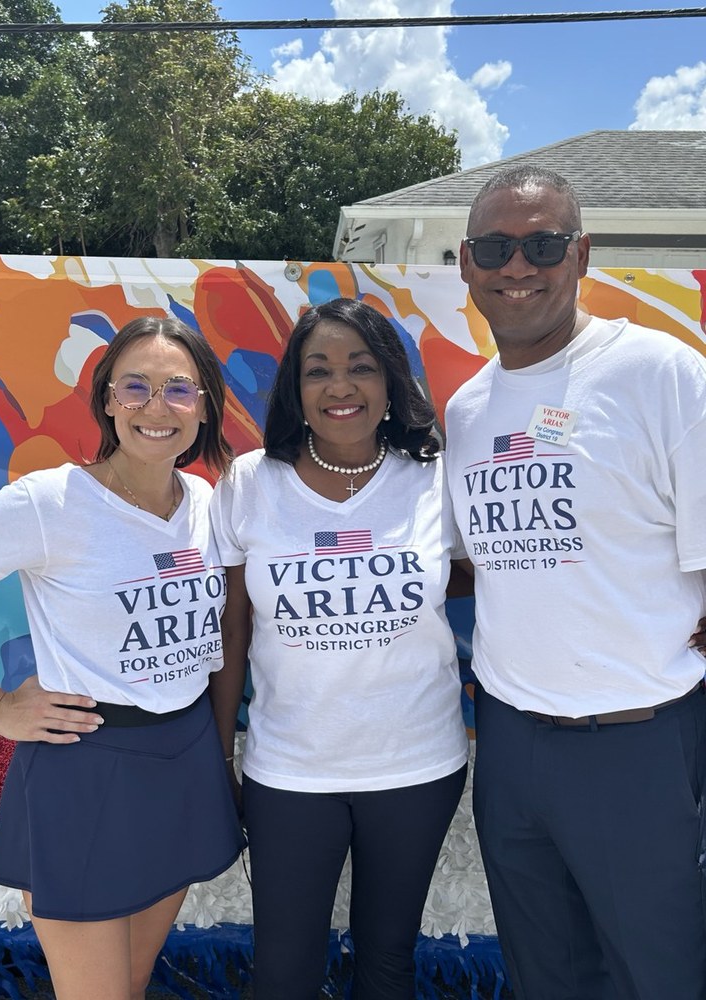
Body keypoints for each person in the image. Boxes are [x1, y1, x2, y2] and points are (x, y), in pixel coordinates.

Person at [0, 316, 245, 1000]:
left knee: (133, 982)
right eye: (136, 387)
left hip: (181, 756)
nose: (157, 406)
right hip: (87, 766)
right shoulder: (51, 501)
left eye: (179, 389)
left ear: (205, 404)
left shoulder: (207, 502)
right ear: (108, 401)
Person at [444, 164, 706, 1000]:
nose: (516, 266)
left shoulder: (660, 372)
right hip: (512, 745)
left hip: (636, 740)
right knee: (544, 974)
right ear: (465, 263)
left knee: (657, 974)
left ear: (581, 252)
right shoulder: (466, 409)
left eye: (542, 243)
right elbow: (465, 559)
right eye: (495, 247)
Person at [209, 297, 469, 1000]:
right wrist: (219, 750)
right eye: (318, 370)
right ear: (295, 388)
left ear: (390, 381)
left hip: (417, 764)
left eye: (361, 367)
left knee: (387, 960)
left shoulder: (438, 478)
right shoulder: (249, 482)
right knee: (284, 972)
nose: (340, 387)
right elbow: (233, 629)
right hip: (290, 770)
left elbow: (502, 573)